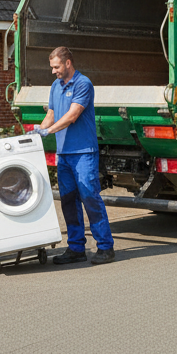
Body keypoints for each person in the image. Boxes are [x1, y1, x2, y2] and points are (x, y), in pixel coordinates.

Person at [37, 46, 115, 265]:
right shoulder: (55, 86)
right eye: (52, 67)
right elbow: (51, 114)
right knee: (68, 201)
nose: (53, 71)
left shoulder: (83, 84)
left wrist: (48, 131)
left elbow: (72, 115)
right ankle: (76, 248)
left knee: (90, 196)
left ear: (68, 63)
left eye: (56, 67)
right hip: (64, 153)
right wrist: (37, 132)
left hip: (83, 152)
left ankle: (105, 247)